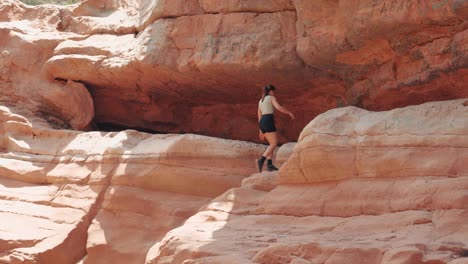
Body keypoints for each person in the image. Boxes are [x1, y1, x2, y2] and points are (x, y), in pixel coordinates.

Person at [257, 84, 294, 172]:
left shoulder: (260, 101)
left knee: (271, 144)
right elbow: (278, 107)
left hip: (262, 121)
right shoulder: (271, 98)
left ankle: (269, 164)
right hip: (268, 120)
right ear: (270, 91)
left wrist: (260, 130)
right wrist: (289, 112)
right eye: (273, 91)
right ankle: (261, 160)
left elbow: (259, 115)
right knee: (274, 144)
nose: (274, 93)